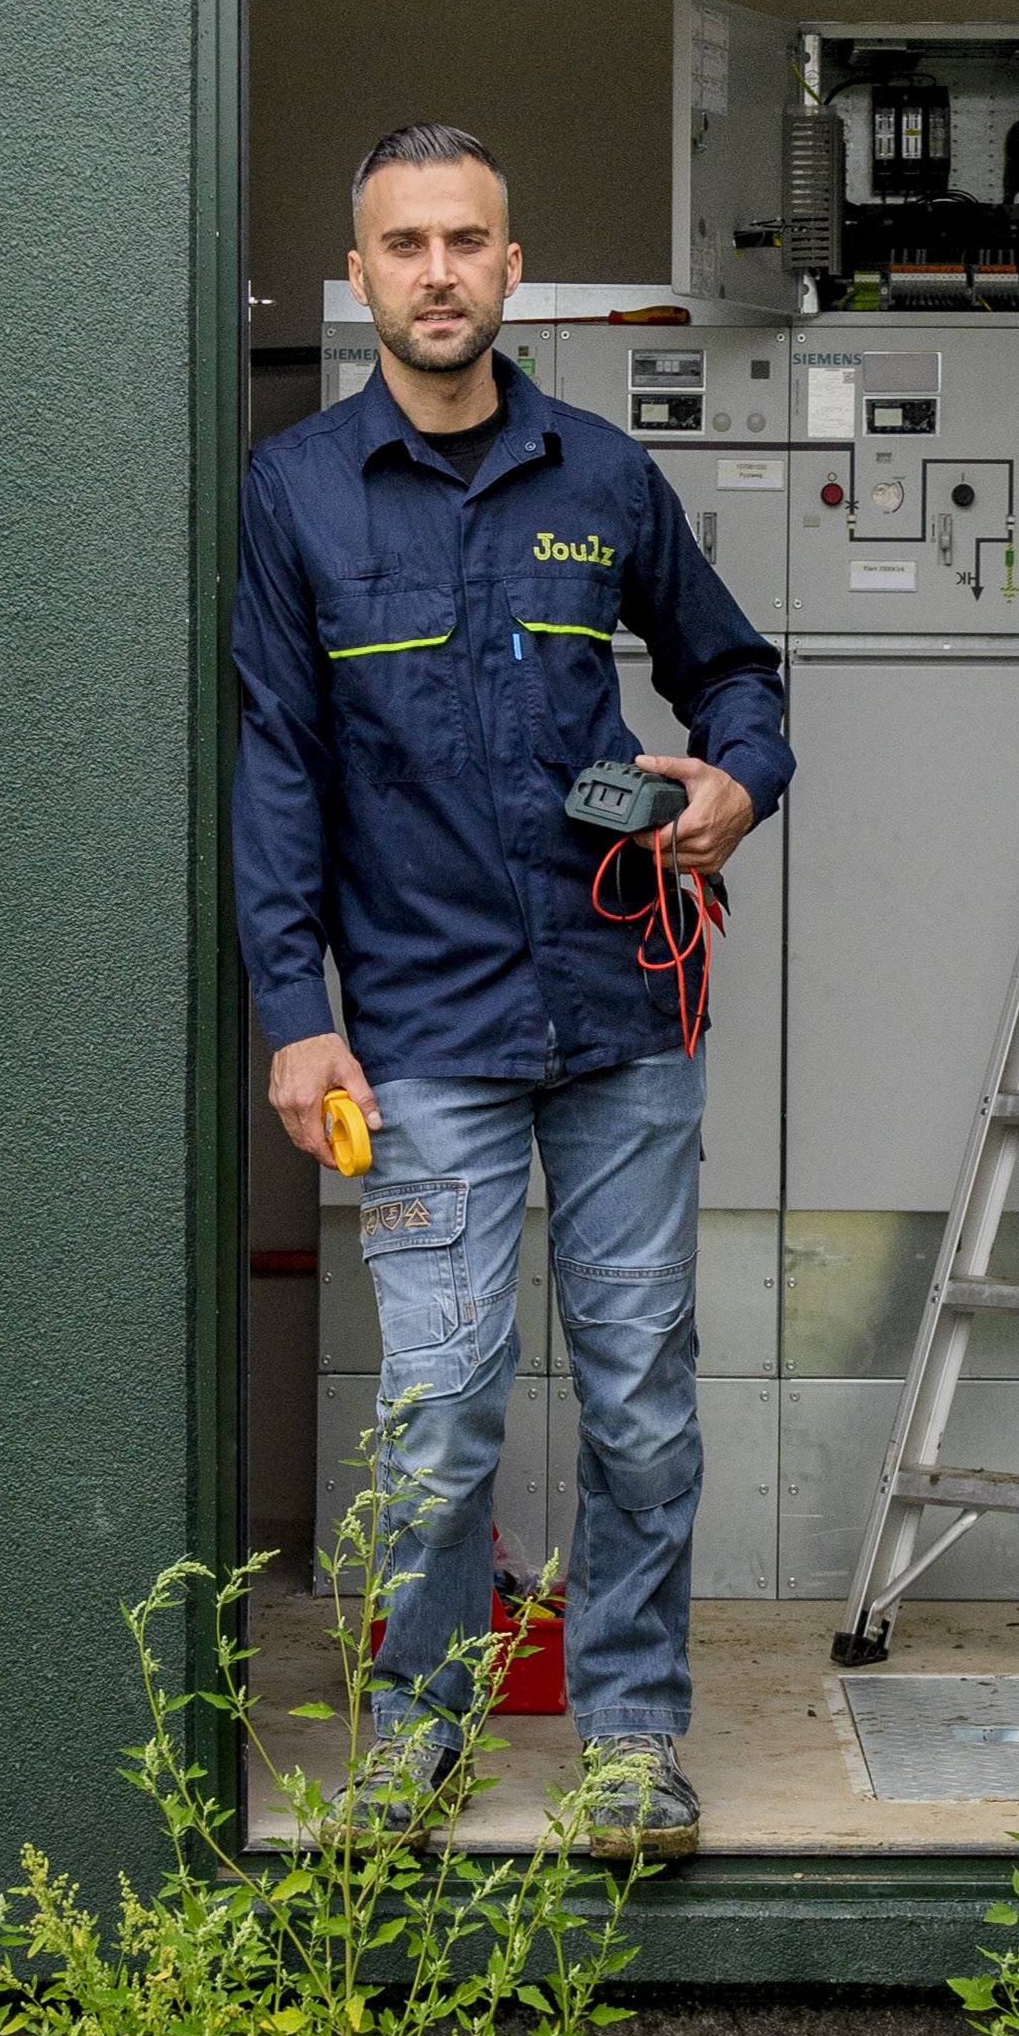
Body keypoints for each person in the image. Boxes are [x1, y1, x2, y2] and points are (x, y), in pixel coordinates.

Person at [233, 122, 792, 1854]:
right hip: (418, 1032)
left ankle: (630, 1737)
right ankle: (419, 1731)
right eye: (402, 245)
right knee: (440, 1403)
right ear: (358, 278)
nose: (437, 273)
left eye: (466, 240)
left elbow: (734, 671)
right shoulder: (299, 492)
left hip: (624, 1013)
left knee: (636, 1392)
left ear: (511, 266)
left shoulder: (601, 479)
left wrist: (733, 785)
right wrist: (292, 1009)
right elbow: (275, 761)